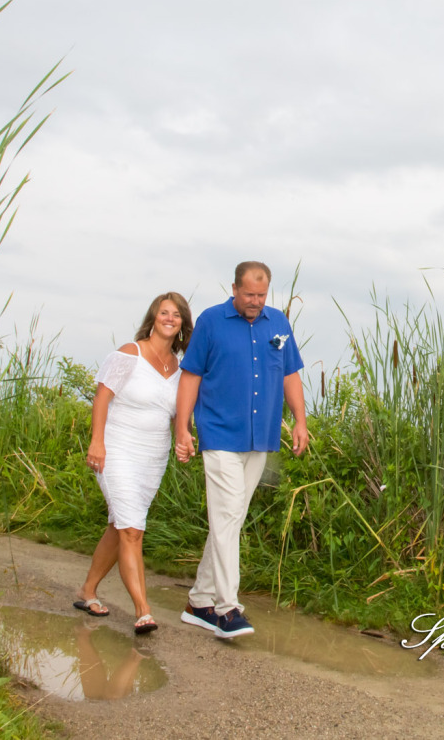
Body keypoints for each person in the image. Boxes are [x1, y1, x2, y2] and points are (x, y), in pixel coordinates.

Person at [174, 261, 308, 638]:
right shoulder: (211, 321)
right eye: (249, 294)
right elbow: (191, 376)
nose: (255, 301)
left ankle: (199, 600)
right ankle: (226, 608)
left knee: (230, 517)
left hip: (260, 436)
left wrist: (300, 421)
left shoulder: (278, 323)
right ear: (234, 288)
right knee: (229, 515)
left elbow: (290, 374)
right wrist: (182, 428)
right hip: (219, 434)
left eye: (261, 295)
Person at [74, 292, 193, 635]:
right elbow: (102, 398)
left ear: (183, 323)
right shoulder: (129, 353)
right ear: (153, 317)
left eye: (176, 314)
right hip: (117, 449)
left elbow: (175, 416)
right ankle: (143, 611)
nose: (169, 318)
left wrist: (183, 437)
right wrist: (97, 442)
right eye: (163, 312)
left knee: (122, 524)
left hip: (152, 457)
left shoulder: (181, 366)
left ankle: (87, 592)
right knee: (132, 529)